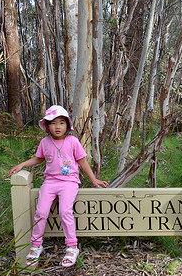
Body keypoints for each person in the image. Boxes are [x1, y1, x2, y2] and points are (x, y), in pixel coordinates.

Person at [9, 105, 109, 267]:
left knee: (64, 211)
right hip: (50, 182)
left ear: (67, 125)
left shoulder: (73, 142)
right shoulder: (45, 142)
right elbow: (38, 159)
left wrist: (93, 179)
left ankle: (72, 247)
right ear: (47, 126)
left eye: (61, 123)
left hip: (69, 183)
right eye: (53, 123)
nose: (57, 126)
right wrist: (22, 165)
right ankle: (36, 246)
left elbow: (82, 160)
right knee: (40, 212)